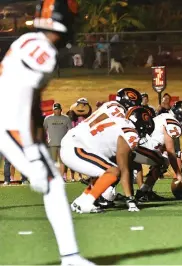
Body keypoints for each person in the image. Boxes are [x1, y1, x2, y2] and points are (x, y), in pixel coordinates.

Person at [0, 0, 93, 264]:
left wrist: (37, 145)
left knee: (53, 181)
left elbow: (31, 105)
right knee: (52, 183)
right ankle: (71, 257)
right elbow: (23, 102)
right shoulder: (44, 52)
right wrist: (31, 151)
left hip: (10, 118)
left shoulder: (28, 40)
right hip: (7, 121)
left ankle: (71, 256)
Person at [44, 103, 72, 181]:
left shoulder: (66, 118)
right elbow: (43, 129)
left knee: (62, 161)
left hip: (63, 144)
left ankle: (61, 177)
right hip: (52, 143)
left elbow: (70, 130)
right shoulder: (48, 118)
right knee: (53, 162)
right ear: (53, 110)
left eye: (58, 109)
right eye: (55, 109)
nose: (57, 111)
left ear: (61, 110)